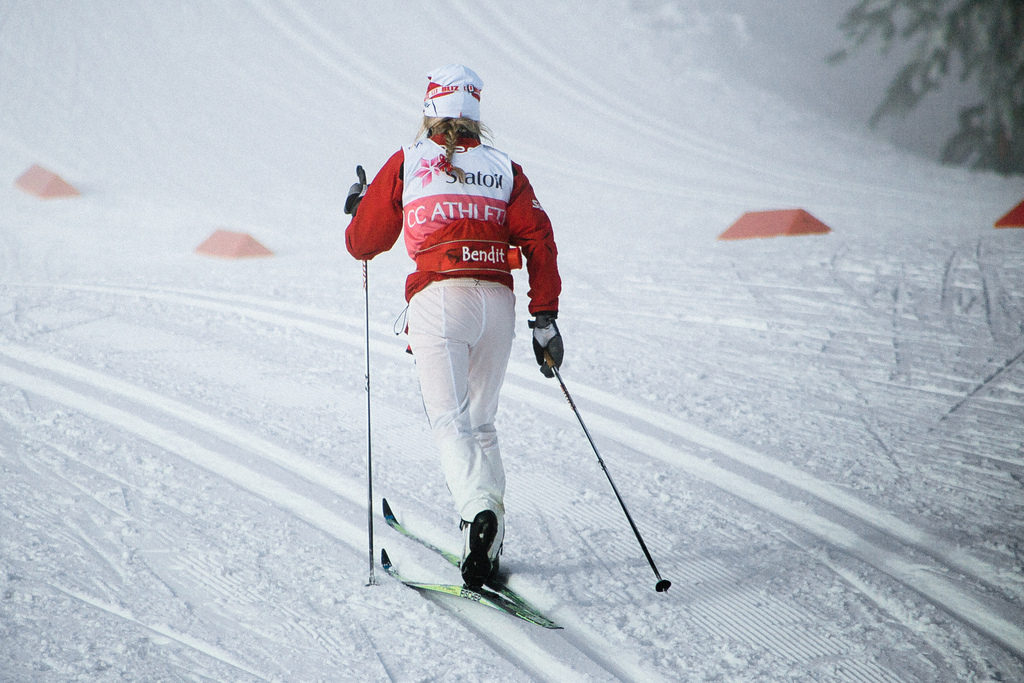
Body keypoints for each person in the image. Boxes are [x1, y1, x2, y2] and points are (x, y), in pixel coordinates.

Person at [343, 64, 563, 588]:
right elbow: (539, 240)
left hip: (440, 300)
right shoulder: (506, 168)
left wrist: (360, 206)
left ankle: (476, 513)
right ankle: (487, 536)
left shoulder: (409, 160)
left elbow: (364, 243)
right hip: (498, 303)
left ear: (429, 112)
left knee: (450, 423)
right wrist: (545, 317)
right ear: (475, 116)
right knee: (481, 422)